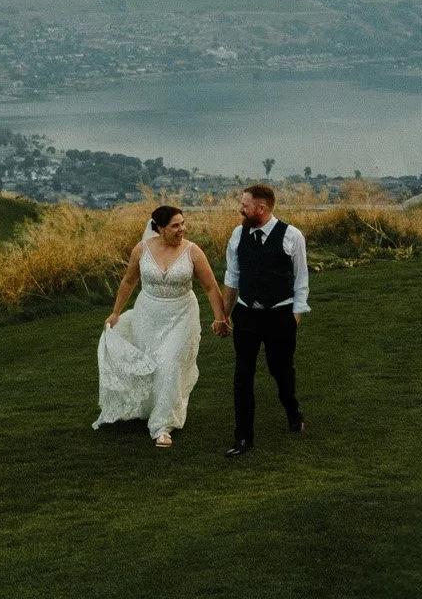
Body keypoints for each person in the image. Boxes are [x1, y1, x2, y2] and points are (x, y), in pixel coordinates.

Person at [95, 204, 229, 447]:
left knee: (170, 363)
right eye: (175, 225)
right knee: (154, 365)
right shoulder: (142, 250)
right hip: (148, 315)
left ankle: (162, 426)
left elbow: (210, 287)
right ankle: (153, 407)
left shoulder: (193, 251)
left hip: (182, 315)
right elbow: (128, 281)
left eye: (183, 223)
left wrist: (220, 317)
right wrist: (115, 313)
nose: (182, 229)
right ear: (159, 228)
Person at [221, 183, 309, 458]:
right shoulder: (238, 234)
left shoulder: (292, 236)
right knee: (243, 374)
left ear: (261, 208)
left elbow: (301, 278)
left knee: (280, 370)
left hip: (280, 315)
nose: (240, 209)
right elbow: (232, 276)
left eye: (244, 205)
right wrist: (224, 314)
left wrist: (295, 313)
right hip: (247, 313)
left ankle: (292, 409)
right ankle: (243, 436)